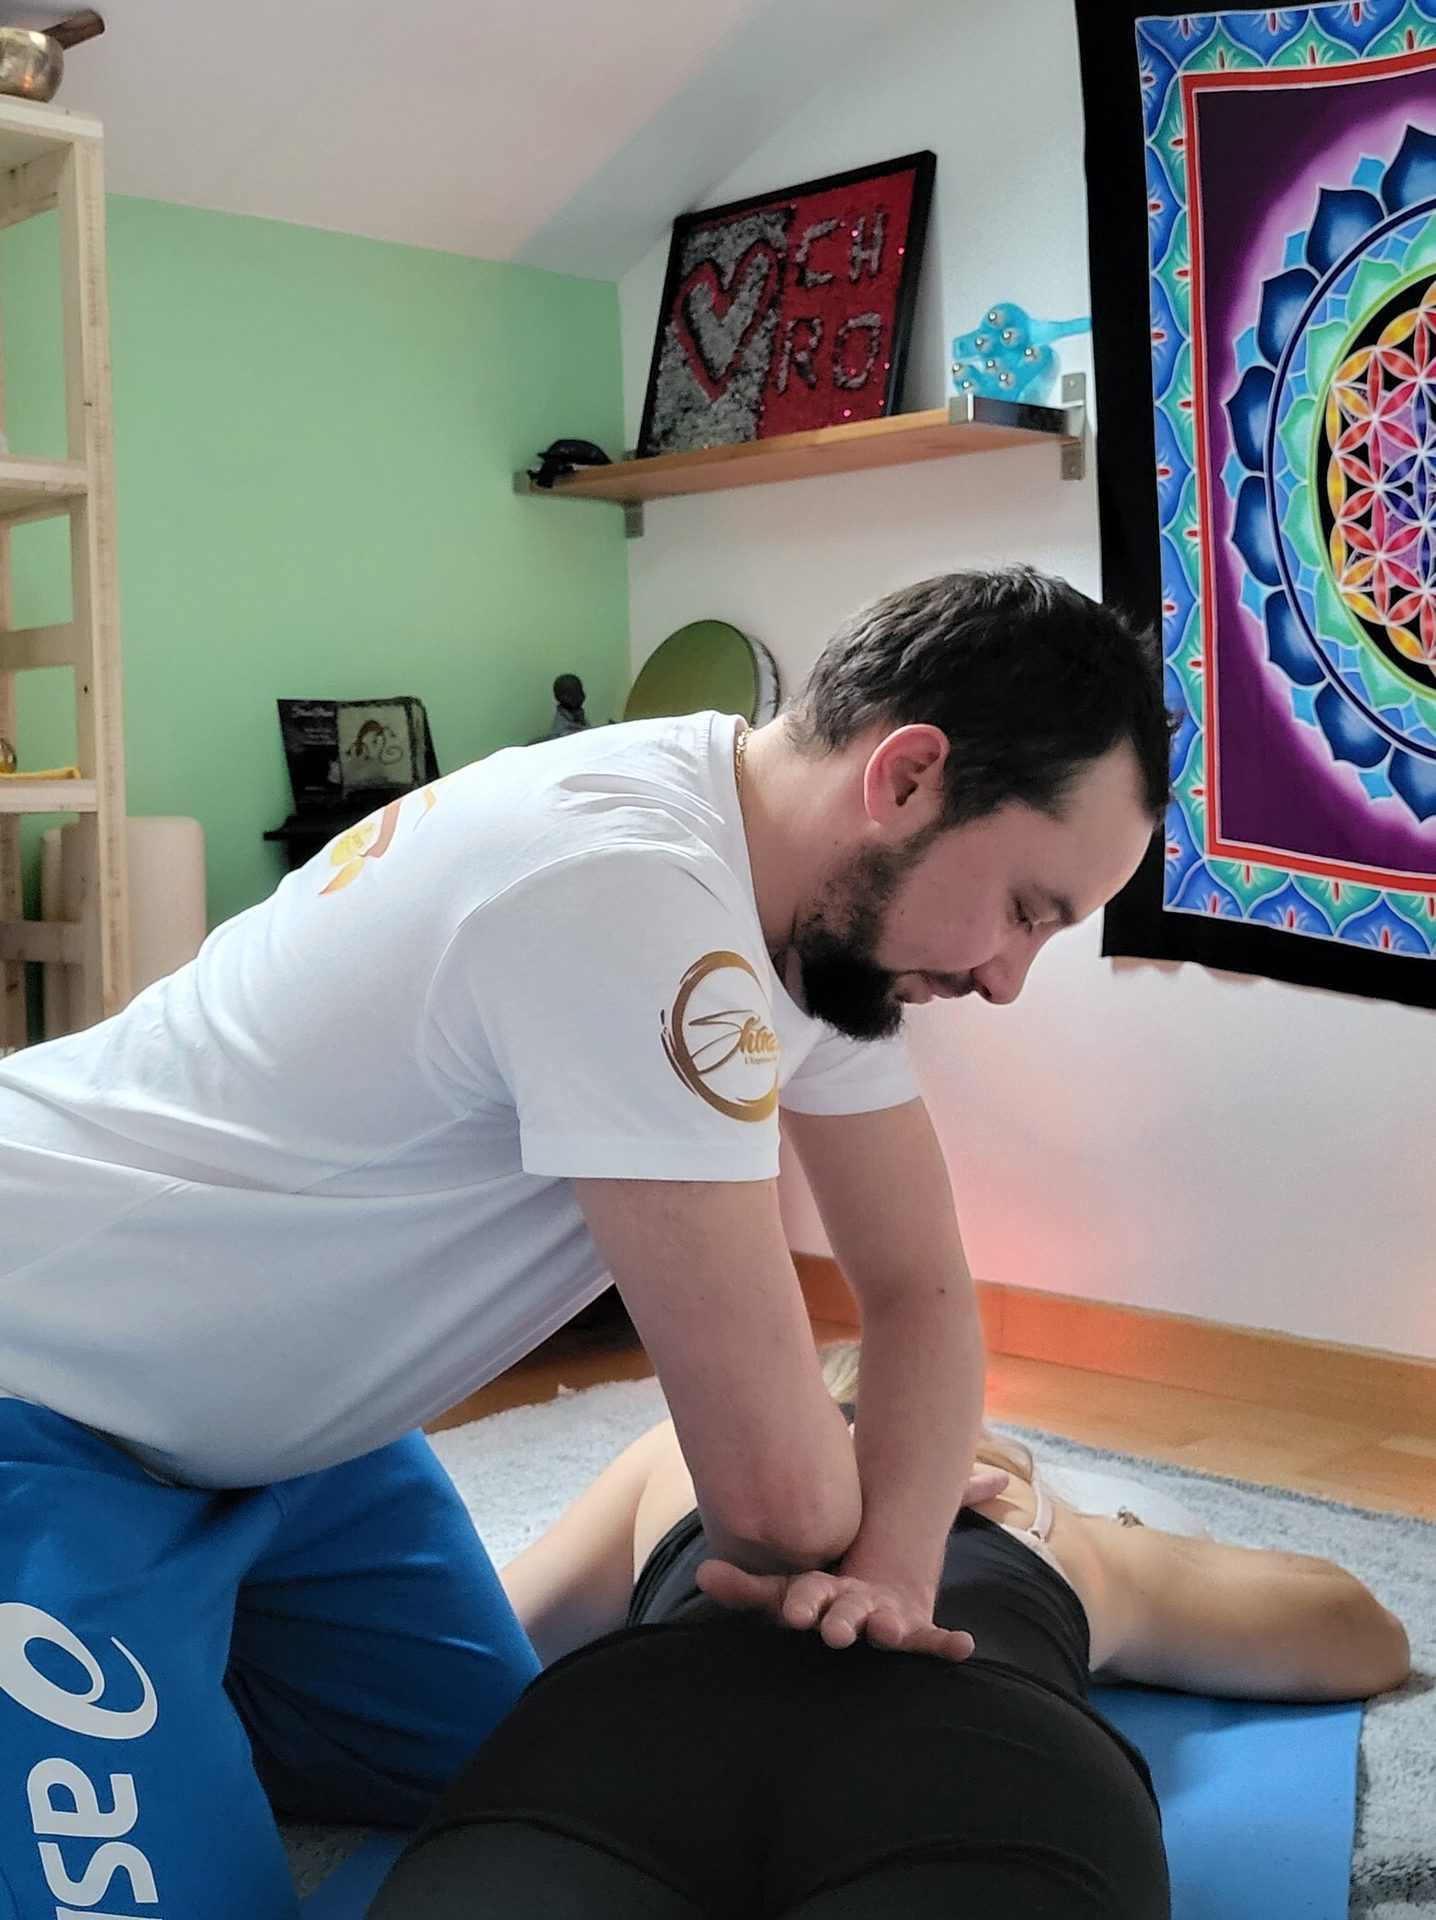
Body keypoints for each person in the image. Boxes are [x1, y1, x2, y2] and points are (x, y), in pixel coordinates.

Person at [0, 567, 1168, 1917]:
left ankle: (200, 1656)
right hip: (49, 1405)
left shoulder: (806, 930)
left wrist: (897, 1572)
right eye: (1029, 906)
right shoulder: (629, 891)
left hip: (307, 1454)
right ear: (909, 777)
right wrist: (855, 1524)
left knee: (518, 1786)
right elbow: (777, 1507)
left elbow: (920, 1287)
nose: (1011, 977)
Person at [367, 1343, 1410, 1918]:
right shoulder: (1033, 1521)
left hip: (637, 1732)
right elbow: (1355, 1633)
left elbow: (474, 1644)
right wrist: (1108, 1533)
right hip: (972, 1746)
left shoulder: (682, 1451)